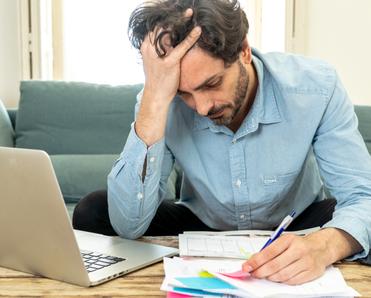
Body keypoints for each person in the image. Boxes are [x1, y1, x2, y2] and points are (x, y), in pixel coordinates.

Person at [72, 0, 371, 285]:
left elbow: (362, 197)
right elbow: (127, 224)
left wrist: (325, 246)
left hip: (297, 222)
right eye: (183, 94)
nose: (201, 108)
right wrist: (155, 99)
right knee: (93, 210)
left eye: (211, 84)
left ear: (243, 51)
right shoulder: (158, 100)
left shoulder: (316, 88)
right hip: (204, 223)